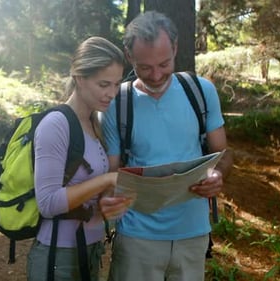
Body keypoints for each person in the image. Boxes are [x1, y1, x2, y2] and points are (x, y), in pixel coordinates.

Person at [100, 11, 234, 281]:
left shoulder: (201, 91)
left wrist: (217, 175)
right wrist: (107, 197)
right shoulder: (117, 103)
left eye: (164, 63)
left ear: (175, 48)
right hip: (137, 237)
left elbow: (223, 153)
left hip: (193, 234)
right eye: (145, 67)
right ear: (129, 56)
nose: (156, 75)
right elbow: (111, 172)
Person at [26, 36, 132, 281]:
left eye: (116, 84)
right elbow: (49, 203)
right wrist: (107, 180)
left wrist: (108, 200)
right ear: (79, 78)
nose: (112, 94)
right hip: (58, 255)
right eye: (103, 84)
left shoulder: (94, 123)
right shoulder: (56, 124)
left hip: (90, 249)